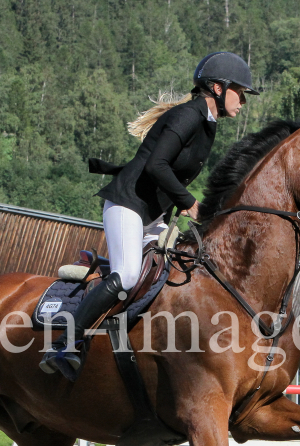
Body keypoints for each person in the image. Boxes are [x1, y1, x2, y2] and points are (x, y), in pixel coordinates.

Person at [40, 52, 258, 380]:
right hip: (128, 206)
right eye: (240, 92)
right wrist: (189, 203)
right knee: (127, 276)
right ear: (217, 87)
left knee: (175, 275)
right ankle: (66, 343)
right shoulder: (188, 115)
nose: (243, 100)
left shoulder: (206, 123)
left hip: (152, 215)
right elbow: (157, 165)